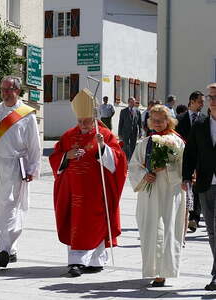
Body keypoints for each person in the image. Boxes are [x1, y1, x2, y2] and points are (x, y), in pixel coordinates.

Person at [49, 88, 127, 277]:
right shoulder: (68, 135)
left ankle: (96, 261)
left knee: (95, 223)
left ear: (94, 118)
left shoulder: (105, 135)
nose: (82, 124)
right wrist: (66, 156)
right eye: (79, 121)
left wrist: (102, 147)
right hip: (73, 190)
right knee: (75, 223)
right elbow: (56, 157)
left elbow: (118, 161)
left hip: (96, 191)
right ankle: (76, 262)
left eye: (86, 121)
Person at [0, 76, 41, 268]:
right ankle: (11, 248)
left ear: (17, 91)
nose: (5, 93)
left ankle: (3, 249)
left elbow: (34, 146)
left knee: (13, 207)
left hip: (17, 165)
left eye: (8, 89)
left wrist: (32, 168)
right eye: (2, 89)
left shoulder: (27, 115)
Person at [129, 105, 185, 287]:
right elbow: (134, 165)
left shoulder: (176, 141)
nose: (157, 124)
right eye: (154, 120)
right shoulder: (144, 142)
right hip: (148, 191)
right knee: (150, 228)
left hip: (169, 191)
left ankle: (164, 271)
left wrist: (165, 168)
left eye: (161, 120)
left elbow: (183, 165)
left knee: (167, 228)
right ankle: (152, 269)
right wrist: (144, 174)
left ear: (169, 121)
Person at [182, 83, 216, 291]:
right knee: (211, 232)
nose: (211, 101)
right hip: (205, 183)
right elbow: (191, 152)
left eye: (215, 97)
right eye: (210, 97)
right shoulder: (200, 124)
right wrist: (186, 176)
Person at [176, 91, 205, 233]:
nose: (202, 105)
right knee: (185, 186)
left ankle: (194, 218)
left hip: (200, 160)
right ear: (192, 101)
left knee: (198, 187)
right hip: (183, 159)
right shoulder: (179, 119)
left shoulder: (205, 120)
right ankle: (184, 215)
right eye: (200, 102)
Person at [118, 97, 142, 161]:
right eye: (131, 102)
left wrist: (140, 132)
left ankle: (131, 160)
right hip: (125, 132)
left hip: (134, 132)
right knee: (126, 146)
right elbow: (120, 123)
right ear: (128, 102)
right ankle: (125, 159)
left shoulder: (137, 111)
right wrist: (119, 134)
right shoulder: (123, 111)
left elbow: (140, 123)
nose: (133, 103)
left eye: (134, 102)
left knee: (133, 146)